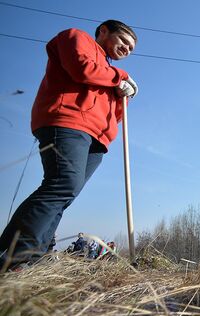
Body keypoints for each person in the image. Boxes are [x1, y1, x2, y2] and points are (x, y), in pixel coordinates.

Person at [0, 20, 138, 270]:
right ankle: (15, 257)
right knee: (61, 185)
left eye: (131, 49)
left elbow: (116, 116)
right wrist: (121, 77)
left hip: (98, 139)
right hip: (68, 122)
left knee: (65, 195)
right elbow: (81, 69)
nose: (127, 49)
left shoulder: (108, 74)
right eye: (124, 41)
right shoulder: (77, 38)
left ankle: (37, 255)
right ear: (104, 31)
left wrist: (122, 96)